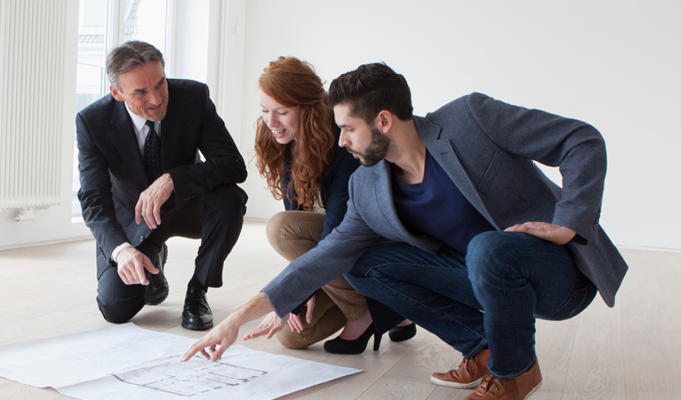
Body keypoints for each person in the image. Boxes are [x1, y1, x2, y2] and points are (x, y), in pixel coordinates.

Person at [182, 62, 627, 400]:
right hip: (479, 276)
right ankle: (483, 348)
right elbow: (327, 254)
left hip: (554, 273)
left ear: (384, 121)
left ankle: (515, 372)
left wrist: (570, 222)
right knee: (366, 263)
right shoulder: (368, 185)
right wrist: (238, 318)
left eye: (348, 129)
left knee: (488, 248)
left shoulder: (470, 119)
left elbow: (581, 140)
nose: (341, 142)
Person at [76, 41, 248, 331]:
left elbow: (233, 165)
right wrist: (121, 250)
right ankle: (151, 259)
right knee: (116, 309)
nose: (156, 99)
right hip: (135, 217)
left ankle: (198, 290)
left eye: (160, 84)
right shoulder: (92, 121)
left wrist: (173, 179)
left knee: (230, 199)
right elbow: (94, 199)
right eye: (141, 92)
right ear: (116, 93)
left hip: (188, 205)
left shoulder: (193, 97)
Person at [252, 56, 414, 354]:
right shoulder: (284, 142)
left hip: (360, 250)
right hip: (335, 265)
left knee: (281, 228)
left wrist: (298, 290)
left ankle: (366, 313)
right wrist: (301, 290)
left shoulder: (343, 144)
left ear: (309, 108)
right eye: (264, 111)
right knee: (291, 337)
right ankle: (392, 309)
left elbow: (337, 232)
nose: (271, 122)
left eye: (282, 112)